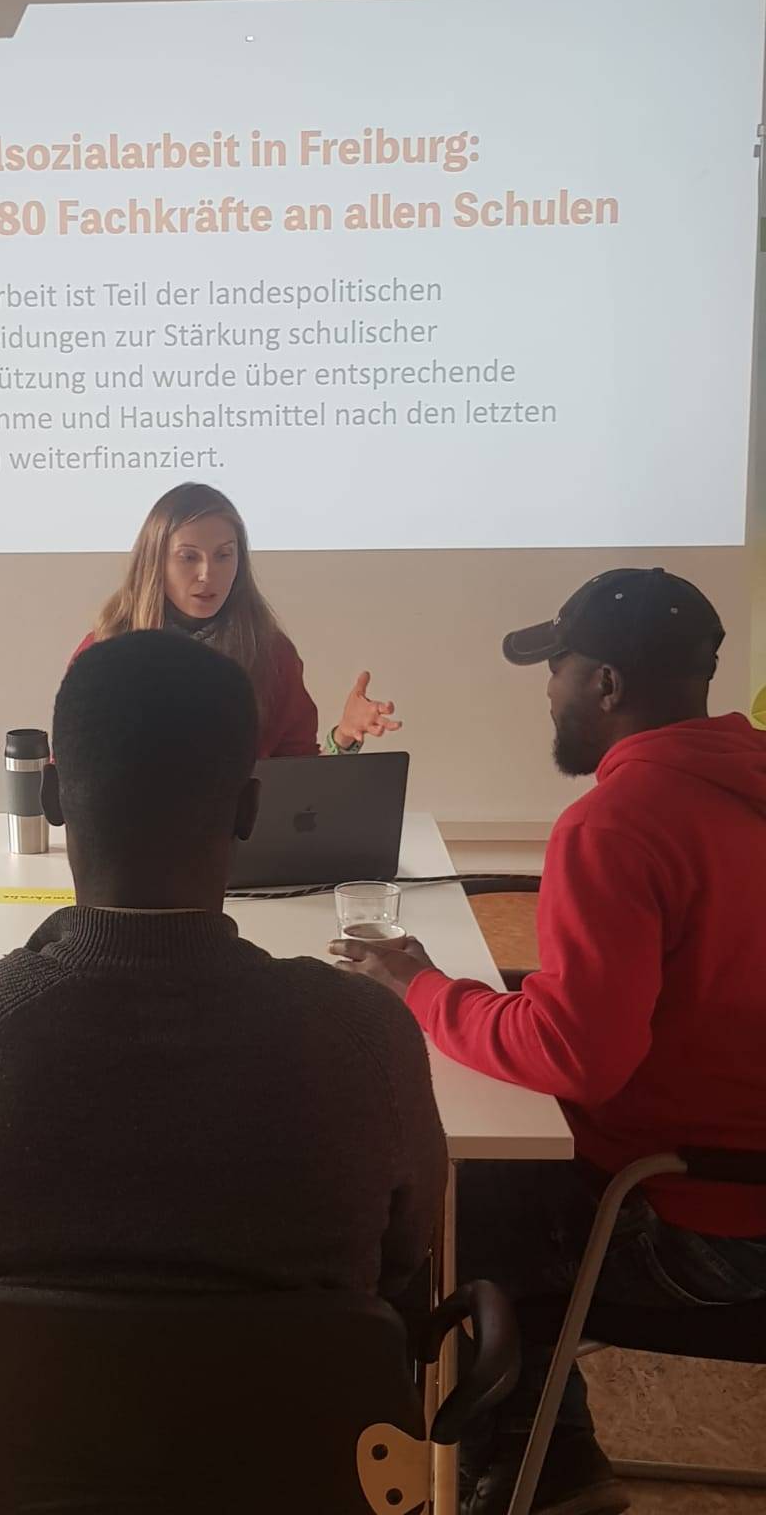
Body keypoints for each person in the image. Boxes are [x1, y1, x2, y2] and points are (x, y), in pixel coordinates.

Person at [332, 569, 766, 1515]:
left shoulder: (618, 825)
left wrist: (420, 987)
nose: (548, 691)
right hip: (742, 1176)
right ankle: (549, 1450)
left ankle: (508, 1469)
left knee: (435, 1199)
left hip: (698, 1225)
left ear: (606, 684)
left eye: (558, 668)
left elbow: (578, 1057)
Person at [0, 629, 443, 1312]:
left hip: (13, 1388)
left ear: (50, 797)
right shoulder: (369, 1038)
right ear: (249, 810)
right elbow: (405, 1253)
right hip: (301, 1387)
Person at [71, 482, 401, 756]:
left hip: (243, 820)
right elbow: (73, 774)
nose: (207, 574)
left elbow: (297, 781)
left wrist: (344, 737)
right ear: (155, 562)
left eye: (223, 555)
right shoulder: (104, 653)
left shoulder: (271, 654)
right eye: (188, 557)